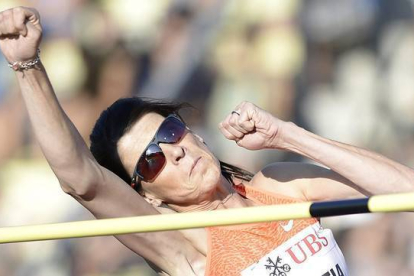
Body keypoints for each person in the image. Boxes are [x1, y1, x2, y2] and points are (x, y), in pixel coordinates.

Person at [1, 7, 414, 276]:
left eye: (170, 132)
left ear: (193, 132)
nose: (174, 152)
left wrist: (289, 135)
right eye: (150, 162)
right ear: (149, 197)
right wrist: (26, 65)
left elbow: (405, 190)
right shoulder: (186, 246)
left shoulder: (280, 185)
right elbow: (80, 179)